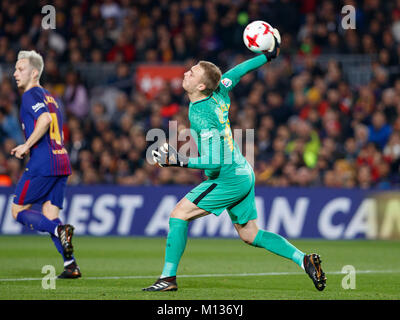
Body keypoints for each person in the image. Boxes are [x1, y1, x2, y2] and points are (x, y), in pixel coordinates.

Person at [145, 36, 326, 292]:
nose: (187, 72)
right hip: (243, 171)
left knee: (178, 215)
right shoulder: (219, 90)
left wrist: (177, 160)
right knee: (250, 234)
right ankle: (303, 259)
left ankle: (167, 279)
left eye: (193, 72)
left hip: (226, 177)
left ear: (200, 86)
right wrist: (267, 56)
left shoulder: (201, 114)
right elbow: (239, 71)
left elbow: (214, 161)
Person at [11, 50, 81, 279]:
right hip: (62, 160)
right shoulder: (51, 97)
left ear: (34, 73)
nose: (15, 74)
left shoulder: (30, 95)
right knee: (50, 214)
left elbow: (44, 120)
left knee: (18, 210)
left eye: (20, 69)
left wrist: (26, 146)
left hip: (44, 161)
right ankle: (71, 265)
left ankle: (60, 231)